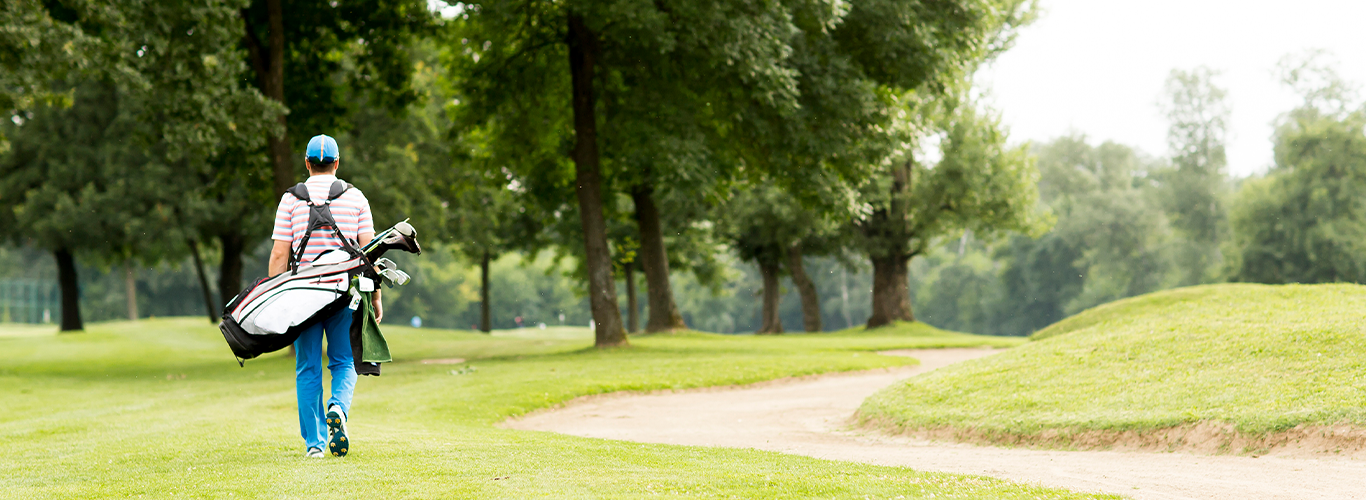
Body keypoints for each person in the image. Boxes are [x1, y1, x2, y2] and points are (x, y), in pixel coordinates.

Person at [268, 134, 383, 458]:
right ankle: (339, 408)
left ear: (307, 163)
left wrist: (278, 298)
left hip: (304, 296)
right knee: (345, 361)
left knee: (307, 366)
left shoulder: (291, 199)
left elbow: (279, 255)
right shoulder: (356, 197)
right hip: (344, 292)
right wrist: (375, 299)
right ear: (336, 163)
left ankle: (315, 446)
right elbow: (369, 254)